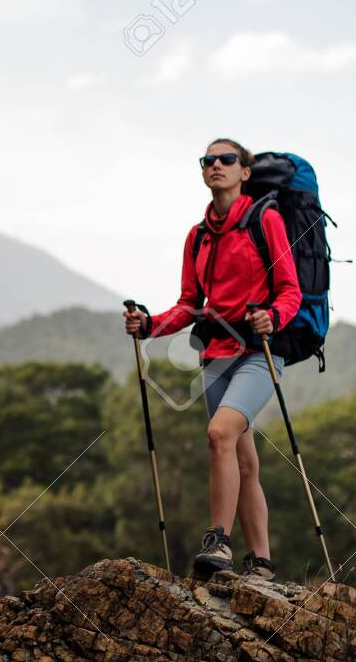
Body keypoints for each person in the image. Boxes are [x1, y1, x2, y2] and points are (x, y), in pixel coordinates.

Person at [124, 137, 302, 580]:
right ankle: (261, 562)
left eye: (227, 159)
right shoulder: (198, 236)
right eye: (208, 160)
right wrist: (148, 326)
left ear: (245, 172)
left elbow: (290, 290)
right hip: (215, 358)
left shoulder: (267, 220)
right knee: (242, 461)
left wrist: (273, 317)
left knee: (220, 433)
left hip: (259, 353)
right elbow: (188, 304)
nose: (216, 165)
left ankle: (218, 541)